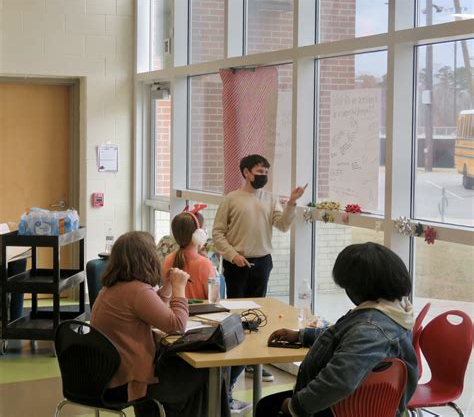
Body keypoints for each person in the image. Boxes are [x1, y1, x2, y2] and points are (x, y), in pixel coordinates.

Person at [257, 242, 418, 417]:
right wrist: (301, 336)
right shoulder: (393, 312)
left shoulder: (370, 330)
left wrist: (294, 407)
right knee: (268, 404)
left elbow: (339, 381)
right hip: (358, 404)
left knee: (267, 407)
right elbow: (346, 338)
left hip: (342, 408)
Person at [91, 231, 230, 417]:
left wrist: (168, 288)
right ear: (147, 258)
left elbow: (149, 306)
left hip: (107, 377)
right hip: (129, 383)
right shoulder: (138, 291)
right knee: (208, 369)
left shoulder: (113, 288)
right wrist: (180, 289)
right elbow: (178, 325)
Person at [212, 154, 307, 385]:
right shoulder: (231, 199)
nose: (263, 176)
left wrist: (292, 203)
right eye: (259, 172)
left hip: (262, 262)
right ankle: (234, 364)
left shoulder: (270, 198)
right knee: (237, 317)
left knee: (257, 316)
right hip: (237, 264)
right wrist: (234, 256)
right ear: (246, 173)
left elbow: (283, 225)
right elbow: (217, 234)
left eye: (266, 172)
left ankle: (252, 364)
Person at [161, 211, 215, 300]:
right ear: (198, 234)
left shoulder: (168, 259)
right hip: (198, 313)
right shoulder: (204, 264)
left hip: (175, 311)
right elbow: (213, 299)